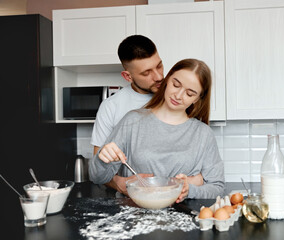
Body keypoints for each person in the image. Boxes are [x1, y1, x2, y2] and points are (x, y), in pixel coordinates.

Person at [89, 59, 225, 202]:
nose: (178, 96)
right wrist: (102, 159)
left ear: (197, 99)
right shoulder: (132, 120)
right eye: (176, 85)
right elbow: (96, 177)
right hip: (133, 217)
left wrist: (189, 190)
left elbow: (217, 188)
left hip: (184, 218)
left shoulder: (203, 134)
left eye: (189, 94)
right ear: (166, 80)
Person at [91, 35, 203, 192]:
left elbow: (201, 160)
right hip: (130, 201)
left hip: (179, 199)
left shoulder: (179, 97)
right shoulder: (111, 107)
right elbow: (98, 167)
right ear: (127, 76)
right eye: (146, 73)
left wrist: (194, 181)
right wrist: (120, 183)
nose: (158, 76)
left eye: (159, 66)